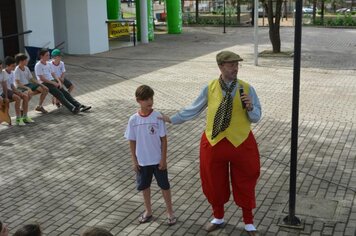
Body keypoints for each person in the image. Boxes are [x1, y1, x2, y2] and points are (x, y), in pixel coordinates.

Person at [160, 51, 262, 235]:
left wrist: (251, 107)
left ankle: (249, 222)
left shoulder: (247, 88)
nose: (235, 68)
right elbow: (194, 109)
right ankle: (218, 217)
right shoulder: (210, 88)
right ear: (221, 66)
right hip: (214, 143)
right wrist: (172, 119)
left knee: (245, 181)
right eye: (231, 65)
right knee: (213, 182)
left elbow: (256, 118)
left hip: (241, 142)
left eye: (237, 64)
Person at [124, 85, 177, 226]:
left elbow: (163, 140)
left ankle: (170, 212)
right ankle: (148, 211)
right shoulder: (133, 120)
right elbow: (132, 141)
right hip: (142, 162)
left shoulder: (157, 117)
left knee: (164, 186)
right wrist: (134, 161)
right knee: (144, 186)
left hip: (157, 161)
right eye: (146, 99)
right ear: (138, 101)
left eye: (151, 98)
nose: (150, 101)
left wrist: (163, 159)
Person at [34, 48, 91, 114]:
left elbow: (53, 74)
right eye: (47, 55)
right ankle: (72, 109)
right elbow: (42, 78)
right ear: (41, 56)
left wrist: (58, 82)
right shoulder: (38, 65)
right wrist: (53, 83)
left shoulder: (48, 64)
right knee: (59, 94)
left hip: (52, 81)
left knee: (65, 93)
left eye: (49, 55)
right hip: (44, 83)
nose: (49, 57)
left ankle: (79, 105)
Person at [2, 56, 33, 125]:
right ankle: (18, 118)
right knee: (18, 98)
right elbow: (5, 87)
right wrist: (15, 92)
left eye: (14, 66)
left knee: (25, 96)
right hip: (4, 91)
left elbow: (12, 85)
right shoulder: (3, 73)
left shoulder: (12, 73)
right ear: (7, 66)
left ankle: (25, 116)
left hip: (11, 90)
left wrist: (17, 91)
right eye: (12, 66)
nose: (13, 68)